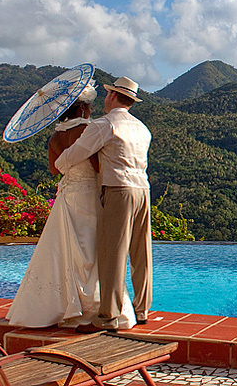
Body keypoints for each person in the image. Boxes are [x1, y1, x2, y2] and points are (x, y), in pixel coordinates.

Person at [6, 83, 136, 329]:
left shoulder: (55, 137)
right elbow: (97, 166)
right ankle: (94, 306)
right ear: (82, 108)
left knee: (64, 250)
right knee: (93, 249)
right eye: (89, 106)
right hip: (88, 194)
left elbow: (54, 169)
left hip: (67, 194)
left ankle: (61, 306)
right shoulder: (87, 130)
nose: (91, 110)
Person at [55, 76, 153, 333]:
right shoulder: (142, 128)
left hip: (119, 190)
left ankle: (108, 317)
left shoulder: (104, 124)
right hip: (143, 189)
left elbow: (77, 153)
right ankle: (142, 309)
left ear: (112, 96)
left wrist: (59, 163)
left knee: (113, 254)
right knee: (141, 252)